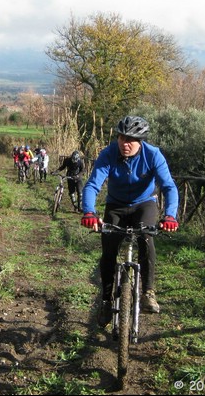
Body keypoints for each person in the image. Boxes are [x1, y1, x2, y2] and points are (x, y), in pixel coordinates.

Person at [80, 115, 179, 328]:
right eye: (122, 138)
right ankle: (106, 300)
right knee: (108, 251)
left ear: (141, 141)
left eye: (131, 140)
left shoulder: (153, 155)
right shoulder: (108, 154)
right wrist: (89, 212)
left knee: (146, 237)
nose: (126, 144)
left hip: (144, 204)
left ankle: (148, 292)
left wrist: (170, 216)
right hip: (115, 205)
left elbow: (169, 187)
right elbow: (92, 185)